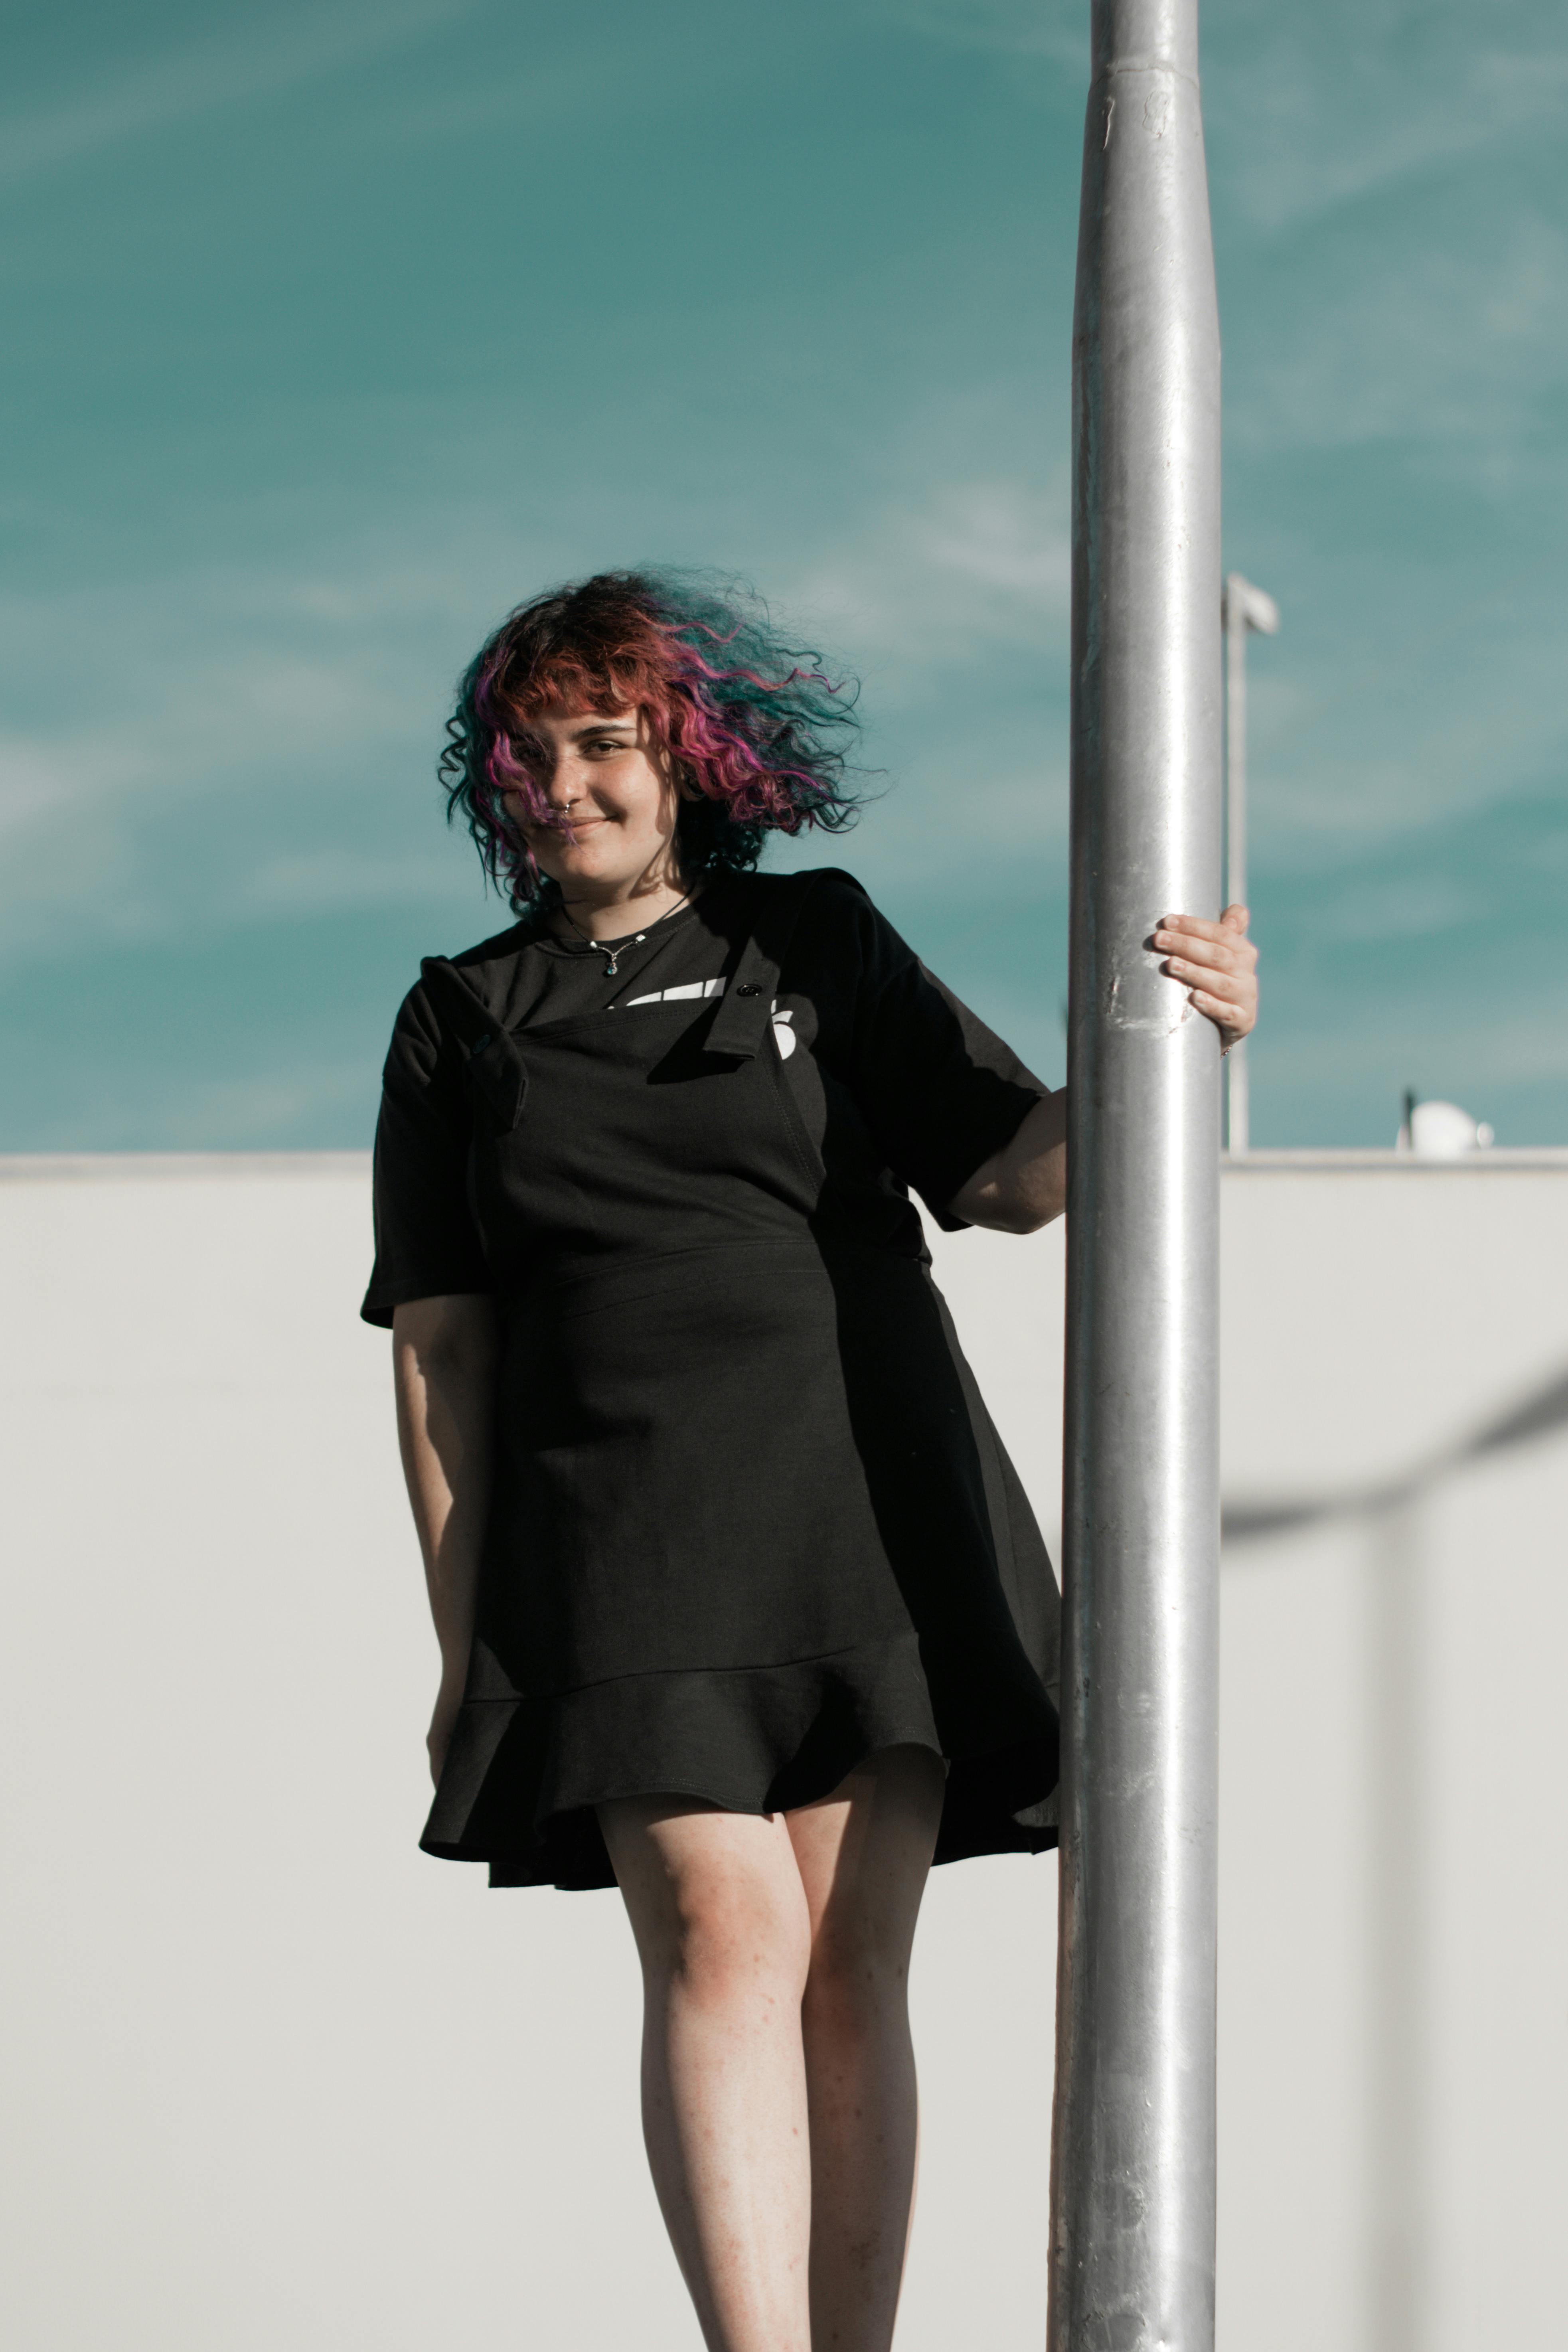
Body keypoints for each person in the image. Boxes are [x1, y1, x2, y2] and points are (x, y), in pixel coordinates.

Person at [361, 569, 1258, 2352]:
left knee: (849, 1960)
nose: (566, 784)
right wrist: (462, 1644)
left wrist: (1176, 1042)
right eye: (529, 755)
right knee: (718, 1920)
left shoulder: (816, 941)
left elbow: (1008, 1175)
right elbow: (441, 1355)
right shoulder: (459, 1018)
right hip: (619, 1531)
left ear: (682, 756)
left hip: (867, 1501)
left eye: (602, 744)